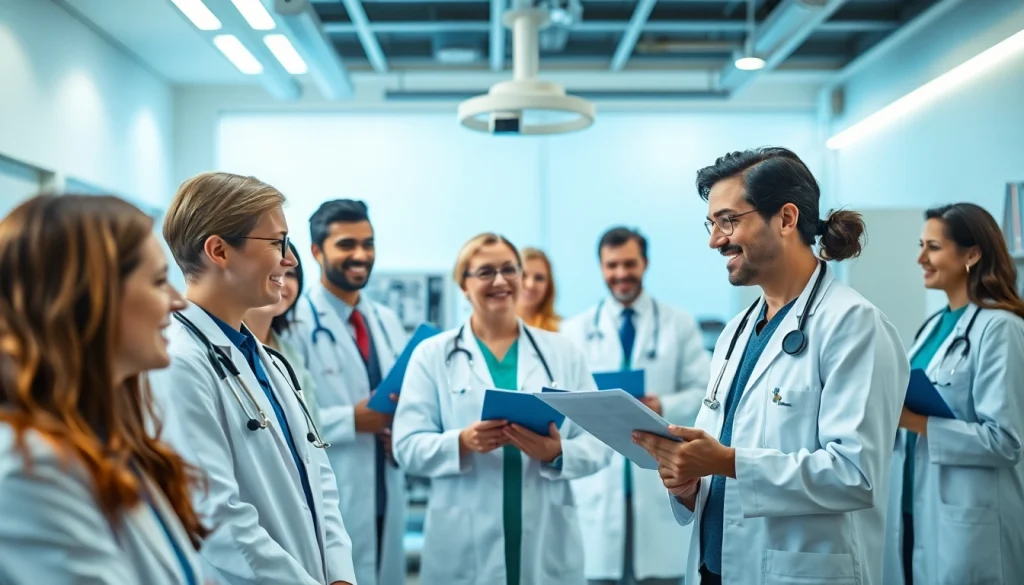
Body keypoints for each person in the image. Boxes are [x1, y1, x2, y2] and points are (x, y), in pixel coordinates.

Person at [632, 147, 909, 585]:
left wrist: (728, 462)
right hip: (714, 568)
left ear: (785, 219)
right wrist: (688, 485)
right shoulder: (736, 332)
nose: (715, 240)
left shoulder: (853, 325)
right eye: (712, 224)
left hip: (798, 571)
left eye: (728, 221)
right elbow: (723, 456)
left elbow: (855, 476)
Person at [148, 172, 356, 585]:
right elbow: (216, 516)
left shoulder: (270, 361)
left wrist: (339, 576)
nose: (290, 260)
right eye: (277, 242)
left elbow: (319, 478)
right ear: (219, 250)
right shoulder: (179, 364)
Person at [0, 194, 203, 584]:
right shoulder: (30, 469)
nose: (179, 301)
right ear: (87, 297)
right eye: (159, 281)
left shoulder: (105, 442)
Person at [392, 232, 613, 585]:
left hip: (546, 536)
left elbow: (601, 441)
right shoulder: (431, 355)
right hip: (462, 541)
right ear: (463, 285)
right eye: (485, 272)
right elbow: (406, 447)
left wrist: (557, 452)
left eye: (509, 269)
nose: (500, 281)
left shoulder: (563, 352)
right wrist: (461, 442)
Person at [882, 202, 1024, 585]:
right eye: (921, 246)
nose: (920, 258)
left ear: (972, 255)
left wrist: (914, 421)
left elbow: (1006, 442)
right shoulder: (933, 326)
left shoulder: (1001, 329)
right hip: (915, 507)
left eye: (933, 247)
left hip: (968, 521)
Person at [561, 226, 710, 585]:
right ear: (601, 267)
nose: (621, 273)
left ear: (644, 263)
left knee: (660, 575)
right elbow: (566, 403)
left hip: (657, 479)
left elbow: (705, 392)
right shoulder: (575, 331)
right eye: (611, 265)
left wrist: (663, 404)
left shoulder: (678, 324)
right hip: (600, 482)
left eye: (629, 263)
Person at [288, 199, 409, 585]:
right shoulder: (294, 323)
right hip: (335, 487)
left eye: (368, 243)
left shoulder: (386, 320)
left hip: (386, 484)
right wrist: (351, 421)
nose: (361, 255)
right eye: (346, 244)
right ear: (316, 251)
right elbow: (284, 419)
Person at [244, 240, 320, 426]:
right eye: (273, 271)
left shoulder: (291, 356)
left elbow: (313, 428)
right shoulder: (221, 347)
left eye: (291, 274)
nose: (282, 282)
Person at [517, 247, 561, 331]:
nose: (530, 285)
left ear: (549, 286)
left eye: (539, 278)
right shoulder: (492, 324)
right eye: (523, 275)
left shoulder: (562, 330)